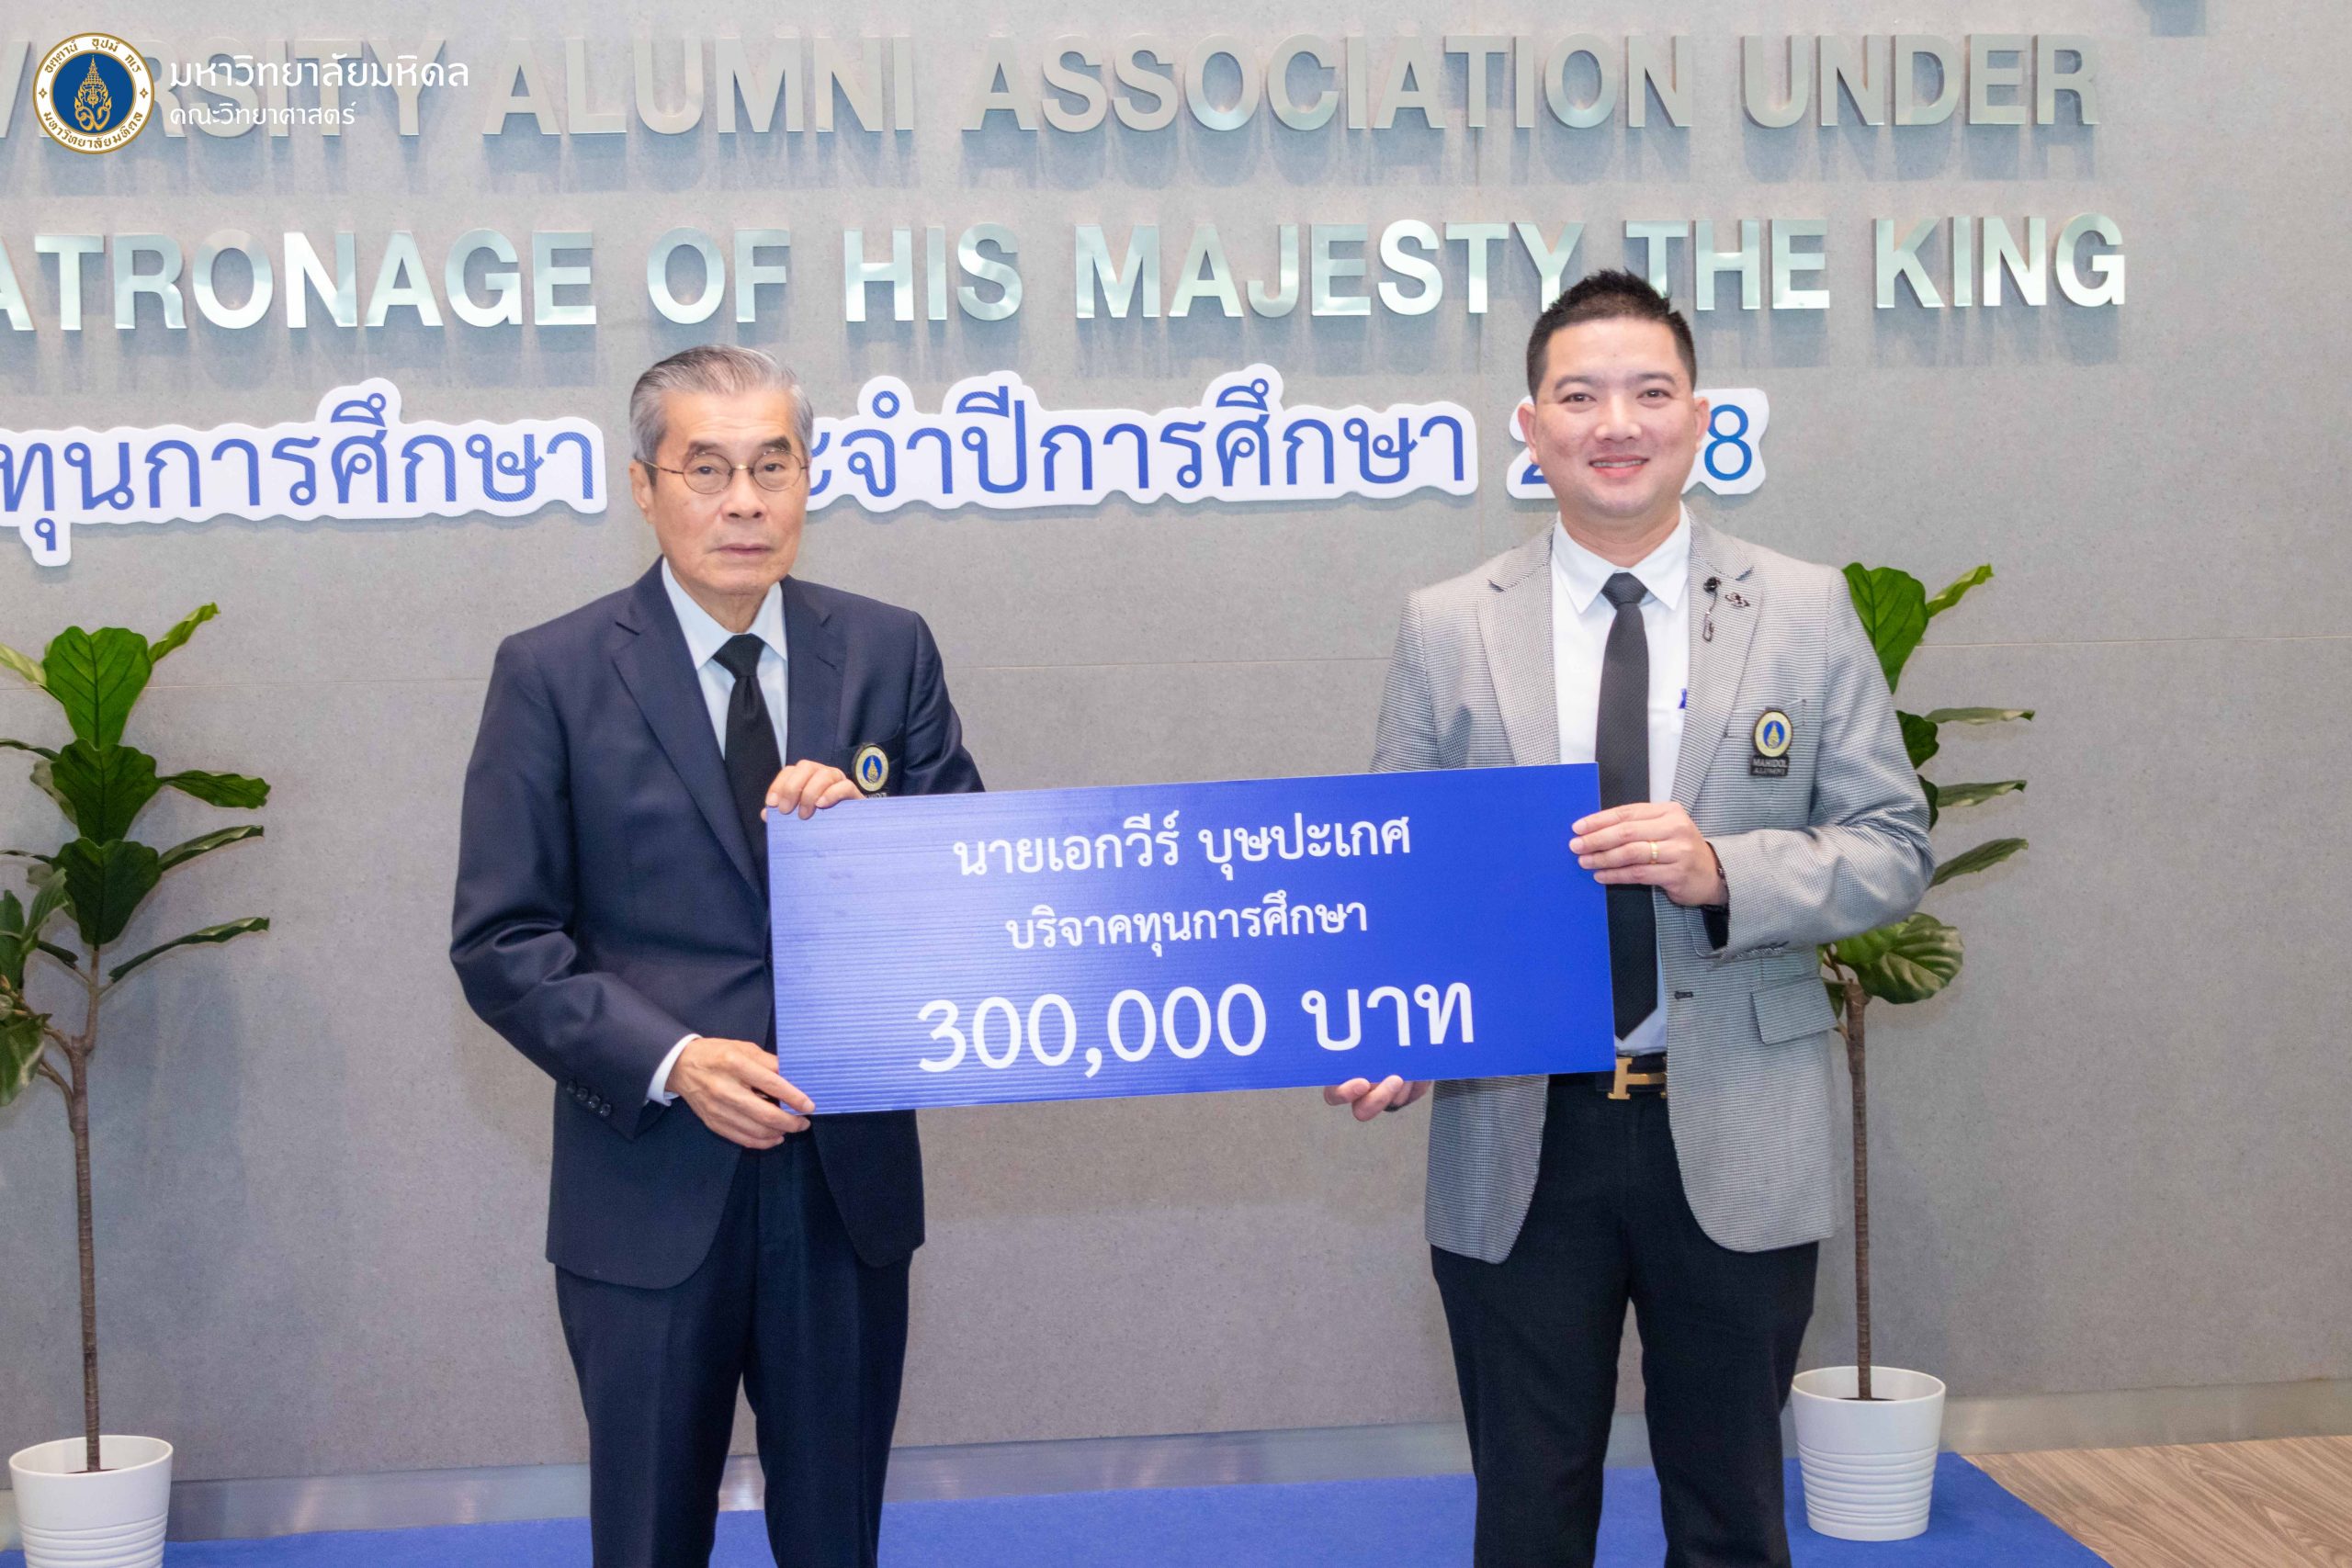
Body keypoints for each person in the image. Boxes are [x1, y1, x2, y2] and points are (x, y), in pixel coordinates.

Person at [1329, 270, 1931, 1568]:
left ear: (1701, 418)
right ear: (1530, 427)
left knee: (1731, 1515)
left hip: (1738, 1128)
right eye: (1579, 396)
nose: (1616, 424)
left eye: (1650, 393)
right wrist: (1391, 1023)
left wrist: (1726, 871)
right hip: (1518, 1133)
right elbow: (1398, 879)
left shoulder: (1805, 608)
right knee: (1527, 1515)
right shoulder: (1448, 625)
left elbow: (1893, 845)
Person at [450, 344, 981, 1568]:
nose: (744, 501)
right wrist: (675, 1058)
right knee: (648, 1540)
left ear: (807, 479)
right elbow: (502, 939)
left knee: (838, 1538)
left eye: (771, 467)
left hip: (844, 1185)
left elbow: (969, 885)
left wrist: (875, 830)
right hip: (649, 1189)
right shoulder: (553, 672)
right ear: (645, 487)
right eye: (707, 470)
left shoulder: (888, 649)